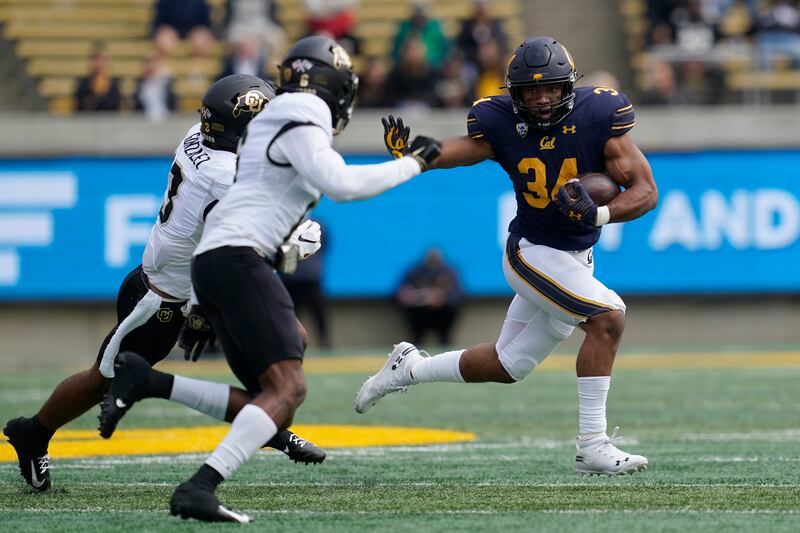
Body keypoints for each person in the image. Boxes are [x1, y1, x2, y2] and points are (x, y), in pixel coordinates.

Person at [102, 35, 441, 523]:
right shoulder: (303, 113)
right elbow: (342, 185)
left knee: (271, 395)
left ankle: (149, 381)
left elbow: (284, 182)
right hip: (236, 260)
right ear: (330, 85)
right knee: (289, 389)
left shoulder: (273, 121)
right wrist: (413, 163)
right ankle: (200, 486)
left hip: (220, 260)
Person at [3, 74, 325, 494]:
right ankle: (32, 432)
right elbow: (238, 247)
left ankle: (271, 423)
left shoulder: (200, 137)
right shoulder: (224, 178)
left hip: (192, 287)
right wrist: (294, 245)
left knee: (288, 341)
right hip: (164, 301)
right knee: (101, 379)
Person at [358, 37, 657, 476]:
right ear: (514, 93)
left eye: (550, 89)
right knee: (609, 317)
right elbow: (462, 150)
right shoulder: (499, 121)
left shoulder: (598, 116)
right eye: (530, 91)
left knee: (507, 364)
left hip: (576, 257)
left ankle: (409, 367)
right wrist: (417, 155)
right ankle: (592, 444)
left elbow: (646, 191)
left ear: (567, 88)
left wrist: (601, 213)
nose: (540, 99)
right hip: (532, 253)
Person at [396, 248, 464, 346]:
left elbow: (458, 293)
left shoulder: (449, 272)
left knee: (450, 313)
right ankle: (415, 347)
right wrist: (407, 295)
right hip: (419, 313)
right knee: (415, 320)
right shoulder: (415, 271)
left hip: (443, 313)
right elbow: (400, 292)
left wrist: (441, 298)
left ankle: (445, 345)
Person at [74, 43, 122, 112]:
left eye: (102, 59)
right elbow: (81, 108)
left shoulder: (115, 85)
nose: (98, 63)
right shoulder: (82, 85)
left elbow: (114, 107)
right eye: (95, 59)